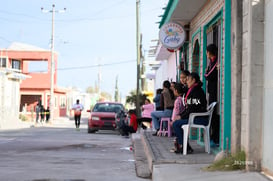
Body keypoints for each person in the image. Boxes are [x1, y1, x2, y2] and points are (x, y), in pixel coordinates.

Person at [171, 72, 207, 154]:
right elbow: (189, 108)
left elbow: (192, 109)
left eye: (188, 80)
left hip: (199, 118)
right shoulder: (192, 90)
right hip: (194, 117)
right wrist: (180, 115)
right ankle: (185, 146)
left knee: (176, 124)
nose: (186, 82)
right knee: (177, 122)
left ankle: (185, 146)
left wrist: (181, 116)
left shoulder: (197, 92)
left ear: (193, 80)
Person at [205, 43, 219, 146]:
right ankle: (212, 138)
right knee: (211, 115)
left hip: (215, 92)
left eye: (206, 52)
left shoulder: (215, 62)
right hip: (211, 91)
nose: (206, 54)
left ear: (209, 52)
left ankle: (215, 139)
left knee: (214, 115)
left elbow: (208, 75)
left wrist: (206, 73)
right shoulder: (211, 62)